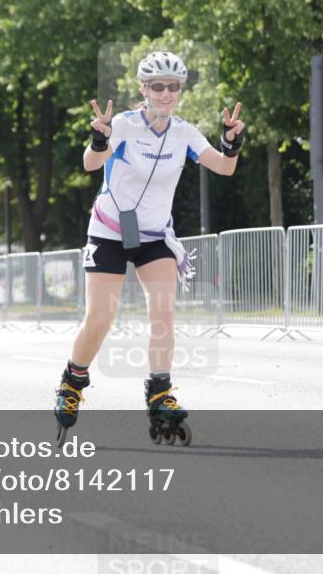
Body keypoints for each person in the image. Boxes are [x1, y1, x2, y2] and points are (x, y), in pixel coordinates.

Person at [54, 51, 246, 445]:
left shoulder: (184, 133)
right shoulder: (124, 125)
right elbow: (91, 163)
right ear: (143, 89)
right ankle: (72, 381)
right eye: (157, 86)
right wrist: (99, 139)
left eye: (173, 86)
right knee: (100, 318)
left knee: (163, 311)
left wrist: (231, 144)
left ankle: (160, 392)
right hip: (110, 231)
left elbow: (225, 167)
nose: (165, 93)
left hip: (155, 237)